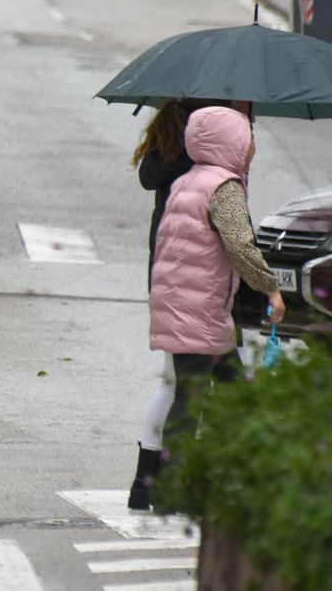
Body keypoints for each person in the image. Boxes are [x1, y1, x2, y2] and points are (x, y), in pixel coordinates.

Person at [144, 106, 285, 503]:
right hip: (200, 309)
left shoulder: (187, 181)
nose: (253, 145)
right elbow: (240, 245)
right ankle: (182, 484)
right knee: (203, 395)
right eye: (247, 137)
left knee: (221, 391)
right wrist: (271, 289)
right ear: (230, 143)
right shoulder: (223, 188)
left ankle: (213, 478)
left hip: (180, 303)